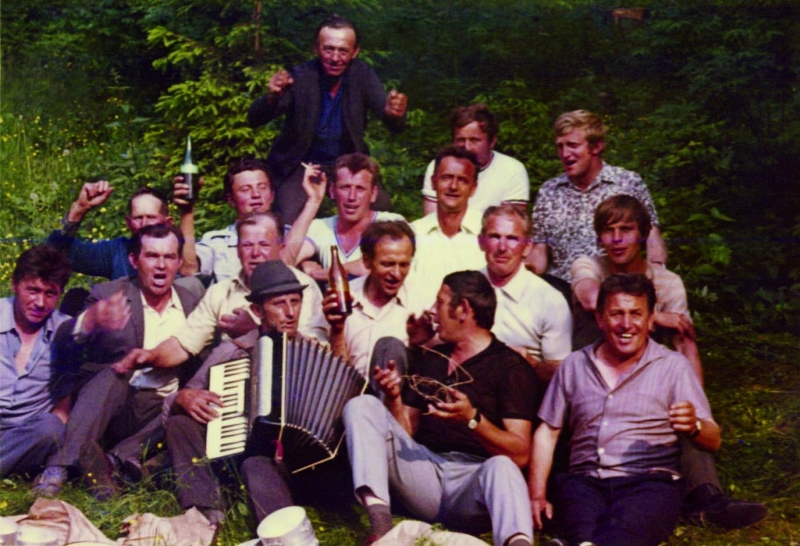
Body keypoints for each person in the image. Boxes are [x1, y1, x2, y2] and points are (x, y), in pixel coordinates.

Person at [570, 195, 767, 530]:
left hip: (650, 378)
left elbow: (685, 343)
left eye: (626, 230)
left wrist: (696, 407)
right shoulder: (588, 265)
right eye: (608, 230)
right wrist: (656, 316)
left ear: (643, 235)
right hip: (594, 374)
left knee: (683, 411)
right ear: (599, 236)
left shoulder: (667, 282)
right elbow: (591, 299)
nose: (616, 239)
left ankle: (707, 498)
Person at [344, 271, 540, 546]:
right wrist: (393, 397)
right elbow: (406, 433)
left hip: (473, 482)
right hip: (425, 473)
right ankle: (381, 527)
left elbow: (520, 454)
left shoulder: (510, 367)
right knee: (362, 404)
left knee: (503, 467)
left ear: (463, 310)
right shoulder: (433, 359)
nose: (432, 311)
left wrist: (473, 420)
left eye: (440, 303)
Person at [529, 274, 719, 546]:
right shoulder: (574, 365)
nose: (626, 324)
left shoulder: (673, 366)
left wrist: (694, 427)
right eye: (616, 314)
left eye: (636, 314)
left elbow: (713, 439)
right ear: (600, 319)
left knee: (628, 526)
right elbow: (548, 432)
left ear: (650, 320)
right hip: (585, 481)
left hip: (649, 482)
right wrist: (536, 495)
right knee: (579, 519)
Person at [32, 224, 203, 500]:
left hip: (156, 416)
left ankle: (111, 463)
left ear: (179, 262)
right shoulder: (109, 294)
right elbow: (63, 341)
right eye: (152, 256)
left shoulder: (193, 303)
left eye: (169, 257)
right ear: (134, 261)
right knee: (114, 375)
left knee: (181, 400)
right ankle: (59, 467)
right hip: (109, 407)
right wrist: (90, 321)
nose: (161, 266)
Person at [163, 260, 307, 529]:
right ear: (257, 311)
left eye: (295, 302)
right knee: (180, 423)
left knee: (256, 464)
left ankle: (284, 533)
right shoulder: (231, 352)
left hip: (299, 464)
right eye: (279, 304)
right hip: (237, 456)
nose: (290, 312)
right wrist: (182, 397)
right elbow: (185, 395)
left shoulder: (312, 351)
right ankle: (205, 510)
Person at [112, 212, 328, 375]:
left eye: (263, 245)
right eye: (247, 245)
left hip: (289, 383)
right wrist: (149, 356)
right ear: (237, 251)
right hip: (231, 388)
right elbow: (184, 344)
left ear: (280, 248)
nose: (255, 253)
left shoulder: (304, 288)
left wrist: (256, 332)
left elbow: (317, 355)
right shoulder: (221, 292)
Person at [248, 15, 407, 224]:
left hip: (347, 162)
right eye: (328, 49)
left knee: (382, 211)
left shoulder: (362, 76)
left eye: (343, 51)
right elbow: (255, 119)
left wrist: (395, 114)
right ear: (316, 48)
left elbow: (393, 124)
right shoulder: (302, 76)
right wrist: (272, 97)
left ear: (355, 52)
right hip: (302, 164)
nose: (335, 58)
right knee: (286, 216)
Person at [528, 110, 667, 292]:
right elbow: (539, 250)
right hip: (561, 292)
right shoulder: (549, 191)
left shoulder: (627, 183)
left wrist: (655, 282)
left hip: (617, 290)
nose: (565, 153)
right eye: (560, 146)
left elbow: (652, 238)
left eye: (572, 145)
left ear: (596, 147)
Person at [0, 245, 72, 478]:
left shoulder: (65, 332)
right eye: (33, 290)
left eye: (50, 294)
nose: (40, 303)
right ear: (14, 284)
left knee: (50, 428)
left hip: (26, 434)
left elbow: (64, 402)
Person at [323, 220, 426, 382]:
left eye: (404, 265)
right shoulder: (342, 298)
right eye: (387, 264)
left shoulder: (420, 304)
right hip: (348, 392)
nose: (396, 274)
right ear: (366, 261)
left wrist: (419, 345)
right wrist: (337, 331)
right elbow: (325, 373)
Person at [478, 204, 572, 382]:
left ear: (528, 247)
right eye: (494, 237)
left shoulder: (550, 300)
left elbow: (562, 377)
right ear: (481, 242)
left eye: (512, 238)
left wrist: (530, 363)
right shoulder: (464, 287)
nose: (502, 247)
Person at [283, 153, 406, 281]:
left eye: (360, 189)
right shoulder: (321, 227)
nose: (352, 197)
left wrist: (317, 273)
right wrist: (313, 201)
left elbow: (370, 268)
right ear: (332, 191)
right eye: (345, 187)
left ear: (373, 194)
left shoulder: (391, 223)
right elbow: (283, 264)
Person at [176, 158, 274, 283]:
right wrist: (187, 211)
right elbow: (188, 270)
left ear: (272, 195)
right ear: (231, 200)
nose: (256, 194)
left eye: (262, 187)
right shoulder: (216, 242)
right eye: (245, 189)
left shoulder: (290, 237)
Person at [409, 147, 487, 307]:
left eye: (462, 180)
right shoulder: (412, 234)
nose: (453, 186)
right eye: (446, 178)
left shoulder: (489, 234)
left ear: (473, 188)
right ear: (433, 182)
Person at [422, 104, 530, 215]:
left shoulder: (512, 170)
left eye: (474, 140)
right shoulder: (440, 166)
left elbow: (510, 222)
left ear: (491, 142)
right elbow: (431, 218)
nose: (467, 147)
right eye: (461, 140)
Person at [47, 184, 172, 280]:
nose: (144, 224)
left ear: (168, 223)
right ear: (128, 223)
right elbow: (54, 253)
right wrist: (78, 210)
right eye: (138, 218)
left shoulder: (180, 253)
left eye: (151, 217)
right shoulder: (117, 252)